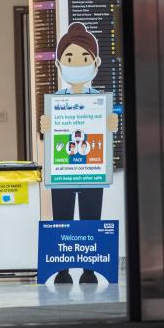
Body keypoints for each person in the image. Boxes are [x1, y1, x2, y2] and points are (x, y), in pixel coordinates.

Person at [41, 22, 118, 285]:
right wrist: (45, 128)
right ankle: (61, 270)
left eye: (83, 58)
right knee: (62, 219)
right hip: (62, 171)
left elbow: (106, 136)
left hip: (92, 172)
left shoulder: (100, 101)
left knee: (90, 220)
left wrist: (111, 126)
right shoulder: (55, 101)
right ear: (59, 63)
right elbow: (48, 137)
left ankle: (89, 269)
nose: (76, 64)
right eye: (70, 58)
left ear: (95, 63)